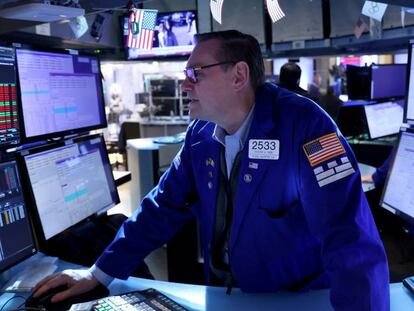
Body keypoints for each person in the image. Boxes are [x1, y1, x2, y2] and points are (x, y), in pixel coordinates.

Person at [33, 30, 389, 310]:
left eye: (195, 73)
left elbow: (350, 239)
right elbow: (161, 208)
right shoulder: (200, 134)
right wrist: (99, 274)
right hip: (226, 294)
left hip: (297, 298)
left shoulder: (309, 128)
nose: (185, 83)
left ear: (238, 75)